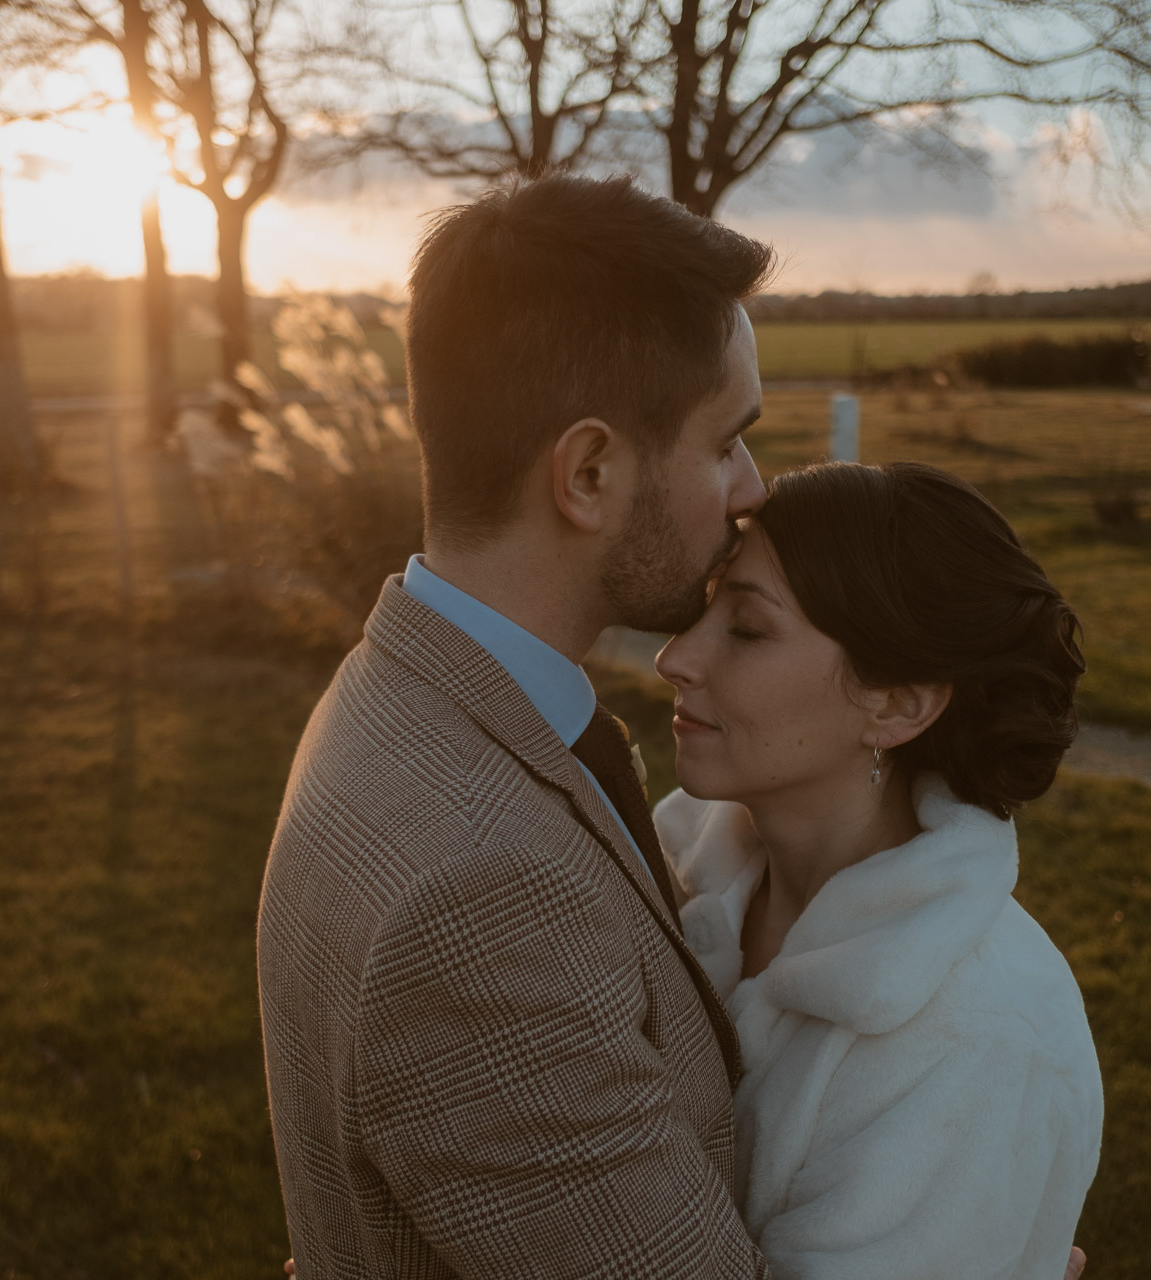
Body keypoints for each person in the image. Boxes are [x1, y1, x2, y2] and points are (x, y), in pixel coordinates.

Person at [257, 172, 1089, 1278]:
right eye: (724, 440)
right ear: (589, 471)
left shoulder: (388, 697)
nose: (750, 488)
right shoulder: (481, 897)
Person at [652, 461, 1103, 1279]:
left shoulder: (978, 1044)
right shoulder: (665, 872)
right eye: (704, 605)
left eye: (747, 629)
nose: (675, 657)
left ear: (897, 703)